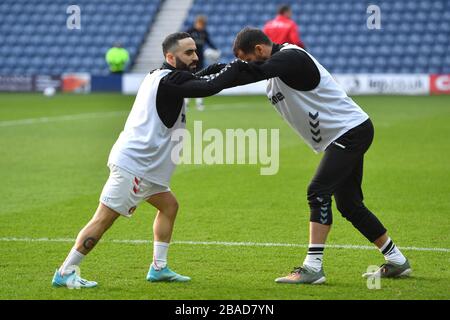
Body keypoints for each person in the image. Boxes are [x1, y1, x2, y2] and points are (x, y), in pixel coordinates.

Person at [52, 32, 245, 288]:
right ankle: (65, 271)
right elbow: (208, 87)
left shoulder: (159, 75)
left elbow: (194, 78)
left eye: (195, 51)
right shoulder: (170, 81)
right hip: (135, 165)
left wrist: (215, 68)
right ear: (170, 56)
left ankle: (159, 268)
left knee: (169, 206)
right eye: (188, 53)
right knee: (103, 220)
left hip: (146, 167)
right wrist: (238, 67)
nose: (195, 56)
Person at [230, 27, 411, 284]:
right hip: (345, 134)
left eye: (248, 60)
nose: (247, 66)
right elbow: (253, 72)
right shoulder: (273, 76)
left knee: (317, 190)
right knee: (349, 204)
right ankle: (397, 260)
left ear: (259, 50)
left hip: (350, 132)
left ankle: (313, 267)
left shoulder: (292, 57)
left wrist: (210, 80)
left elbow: (253, 72)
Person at [186, 15, 219, 111]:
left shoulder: (204, 33)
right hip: (190, 60)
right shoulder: (190, 31)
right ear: (197, 23)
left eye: (203, 25)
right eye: (200, 24)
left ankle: (199, 103)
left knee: (199, 81)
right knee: (187, 81)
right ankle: (186, 103)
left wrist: (216, 50)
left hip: (200, 60)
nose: (201, 26)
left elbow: (209, 42)